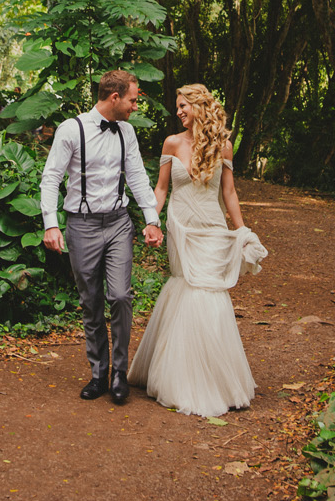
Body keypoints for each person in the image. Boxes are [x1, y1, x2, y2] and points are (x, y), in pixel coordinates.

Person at [126, 84, 267, 417]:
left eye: (182, 105)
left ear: (200, 106)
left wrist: (241, 231)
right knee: (187, 285)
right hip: (180, 225)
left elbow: (229, 193)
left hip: (212, 226)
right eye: (177, 107)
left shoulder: (224, 147)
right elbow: (161, 188)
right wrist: (152, 221)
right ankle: (181, 375)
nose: (178, 111)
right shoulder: (172, 143)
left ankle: (216, 379)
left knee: (209, 292)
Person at [40, 70, 165, 405]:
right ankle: (99, 373)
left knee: (121, 296)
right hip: (81, 226)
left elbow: (137, 175)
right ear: (114, 98)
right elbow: (51, 178)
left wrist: (151, 218)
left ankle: (120, 373)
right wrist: (51, 224)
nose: (135, 106)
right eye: (133, 100)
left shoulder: (127, 133)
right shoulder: (72, 129)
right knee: (91, 301)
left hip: (118, 223)